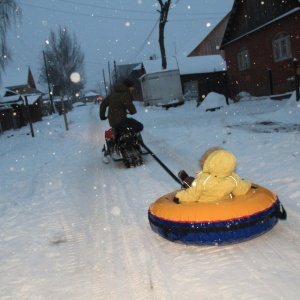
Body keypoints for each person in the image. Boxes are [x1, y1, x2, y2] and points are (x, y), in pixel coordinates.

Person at [174, 147, 251, 203]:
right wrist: (247, 183)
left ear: (210, 162)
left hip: (204, 204)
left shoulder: (203, 179)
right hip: (224, 203)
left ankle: (186, 180)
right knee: (196, 184)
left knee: (192, 183)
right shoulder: (233, 178)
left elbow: (192, 195)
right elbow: (241, 190)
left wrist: (179, 196)